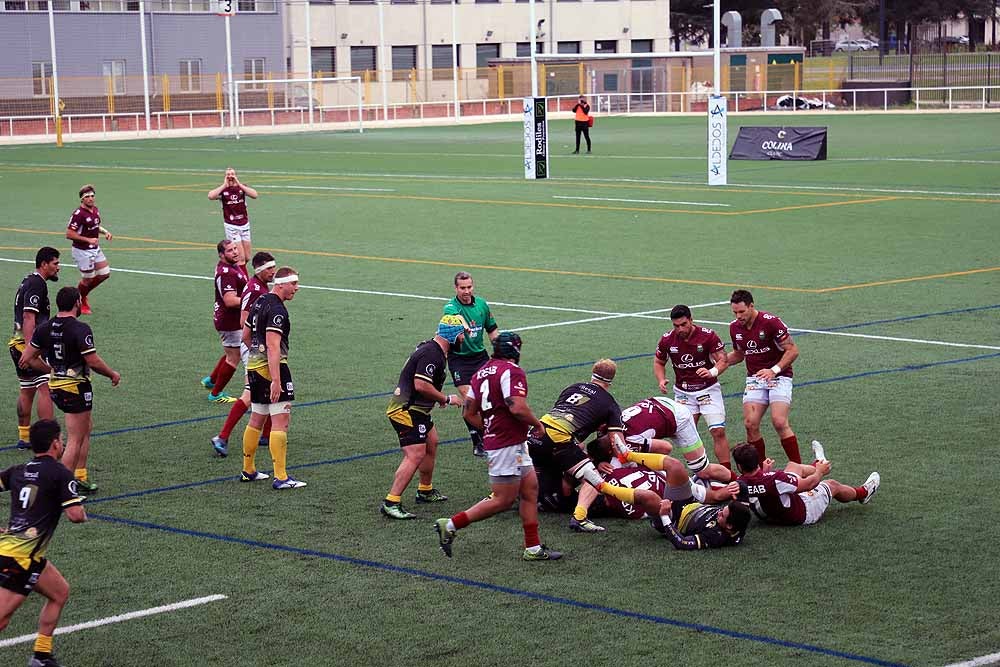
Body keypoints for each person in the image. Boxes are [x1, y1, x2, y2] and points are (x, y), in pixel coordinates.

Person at [435, 332, 562, 562]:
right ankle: (451, 524)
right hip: (506, 445)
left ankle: (532, 548)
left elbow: (468, 412)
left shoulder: (480, 373)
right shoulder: (511, 371)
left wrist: (489, 429)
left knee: (530, 489)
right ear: (515, 350)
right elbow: (517, 407)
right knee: (503, 499)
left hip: (511, 442)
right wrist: (537, 425)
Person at [0, 419, 86, 667]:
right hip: (21, 559)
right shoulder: (60, 473)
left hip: (21, 553)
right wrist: (81, 512)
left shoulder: (18, 470)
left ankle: (41, 655)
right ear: (55, 443)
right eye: (60, 439)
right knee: (2, 619)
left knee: (59, 592)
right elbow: (75, 515)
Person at [19, 287, 120, 495]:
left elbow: (26, 358)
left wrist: (51, 369)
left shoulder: (45, 327)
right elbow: (93, 361)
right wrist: (112, 374)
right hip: (75, 388)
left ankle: (80, 475)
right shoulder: (80, 328)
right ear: (76, 303)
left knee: (86, 427)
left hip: (55, 386)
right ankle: (63, 488)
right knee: (75, 438)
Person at [529, 359, 646, 521]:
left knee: (574, 454)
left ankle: (529, 495)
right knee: (592, 476)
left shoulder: (572, 387)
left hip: (536, 433)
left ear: (593, 374)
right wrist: (633, 465)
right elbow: (618, 445)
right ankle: (579, 517)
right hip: (558, 439)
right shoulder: (610, 404)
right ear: (611, 380)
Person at [381, 315, 465, 520]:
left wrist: (436, 400)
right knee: (415, 454)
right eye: (462, 334)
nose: (464, 339)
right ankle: (391, 501)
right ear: (452, 334)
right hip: (406, 411)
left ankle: (425, 490)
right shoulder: (432, 354)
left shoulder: (434, 350)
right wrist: (446, 398)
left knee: (431, 442)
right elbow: (421, 385)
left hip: (418, 410)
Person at [241, 266, 304, 490]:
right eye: (293, 283)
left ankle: (248, 470)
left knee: (256, 418)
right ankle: (281, 477)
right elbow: (273, 345)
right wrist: (276, 380)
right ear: (281, 284)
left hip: (254, 368)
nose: (297, 288)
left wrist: (256, 355)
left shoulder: (259, 301)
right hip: (272, 370)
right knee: (280, 422)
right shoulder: (278, 310)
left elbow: (246, 334)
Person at [211, 251, 276, 457]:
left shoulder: (260, 286)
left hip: (258, 347)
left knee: (272, 389)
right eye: (269, 269)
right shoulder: (256, 290)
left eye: (273, 267)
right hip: (254, 349)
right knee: (250, 394)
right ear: (259, 270)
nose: (272, 271)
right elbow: (243, 322)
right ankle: (222, 437)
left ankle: (267, 435)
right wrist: (259, 349)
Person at [725, 289, 802, 463]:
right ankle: (760, 472)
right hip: (755, 379)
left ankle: (797, 468)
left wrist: (773, 370)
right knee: (750, 424)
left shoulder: (771, 322)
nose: (738, 316)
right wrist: (718, 364)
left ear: (752, 306)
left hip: (778, 376)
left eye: (742, 312)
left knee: (779, 421)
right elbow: (739, 354)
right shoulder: (734, 327)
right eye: (735, 312)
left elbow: (793, 350)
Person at [654, 304, 733, 470]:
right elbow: (659, 361)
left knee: (718, 431)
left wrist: (712, 372)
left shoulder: (708, 336)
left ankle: (726, 475)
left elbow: (723, 360)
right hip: (683, 393)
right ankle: (701, 472)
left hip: (708, 390)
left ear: (691, 320)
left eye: (683, 324)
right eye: (676, 326)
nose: (680, 329)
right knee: (687, 436)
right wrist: (661, 379)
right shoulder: (667, 339)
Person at [732, 441, 880, 526]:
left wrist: (763, 472)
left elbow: (759, 486)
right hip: (798, 514)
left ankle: (818, 462)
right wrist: (820, 472)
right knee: (832, 484)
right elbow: (809, 484)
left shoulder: (739, 482)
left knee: (793, 466)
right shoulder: (774, 478)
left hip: (766, 514)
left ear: (739, 466)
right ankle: (863, 493)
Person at [443, 271, 499, 458]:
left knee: (487, 398)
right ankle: (478, 439)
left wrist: (500, 352)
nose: (466, 291)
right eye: (462, 288)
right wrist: (464, 325)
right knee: (470, 399)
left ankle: (488, 434)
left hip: (480, 357)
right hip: (459, 359)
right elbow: (456, 319)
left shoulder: (482, 304)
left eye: (469, 287)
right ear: (456, 288)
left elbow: (491, 330)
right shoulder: (451, 307)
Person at [9, 247, 60, 449]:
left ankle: (24, 436)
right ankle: (49, 440)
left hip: (16, 343)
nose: (58, 268)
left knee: (26, 388)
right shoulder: (37, 284)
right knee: (45, 387)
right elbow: (29, 316)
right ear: (44, 264)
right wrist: (31, 350)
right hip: (30, 345)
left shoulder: (27, 280)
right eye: (55, 263)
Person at [201, 240, 247, 404]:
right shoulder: (226, 272)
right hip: (229, 321)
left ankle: (211, 381)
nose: (235, 252)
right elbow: (230, 300)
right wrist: (251, 300)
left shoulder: (233, 266)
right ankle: (215, 393)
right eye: (230, 250)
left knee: (231, 353)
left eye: (235, 249)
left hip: (229, 319)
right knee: (234, 357)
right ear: (221, 255)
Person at [65, 184, 112, 316]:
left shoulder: (95, 210)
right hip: (82, 251)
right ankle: (80, 299)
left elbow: (95, 225)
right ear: (82, 199)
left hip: (94, 249)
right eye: (87, 196)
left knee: (104, 273)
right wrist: (88, 240)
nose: (91, 198)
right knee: (88, 279)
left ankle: (83, 294)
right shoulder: (78, 214)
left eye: (92, 196)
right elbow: (69, 234)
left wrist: (105, 232)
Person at [208, 168, 258, 267]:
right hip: (232, 226)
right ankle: (242, 280)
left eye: (232, 174)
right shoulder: (223, 191)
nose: (230, 176)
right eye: (228, 174)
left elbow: (255, 195)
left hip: (244, 225)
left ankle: (236, 270)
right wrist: (224, 185)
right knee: (241, 258)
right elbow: (210, 196)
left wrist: (239, 184)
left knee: (247, 257)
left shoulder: (241, 188)